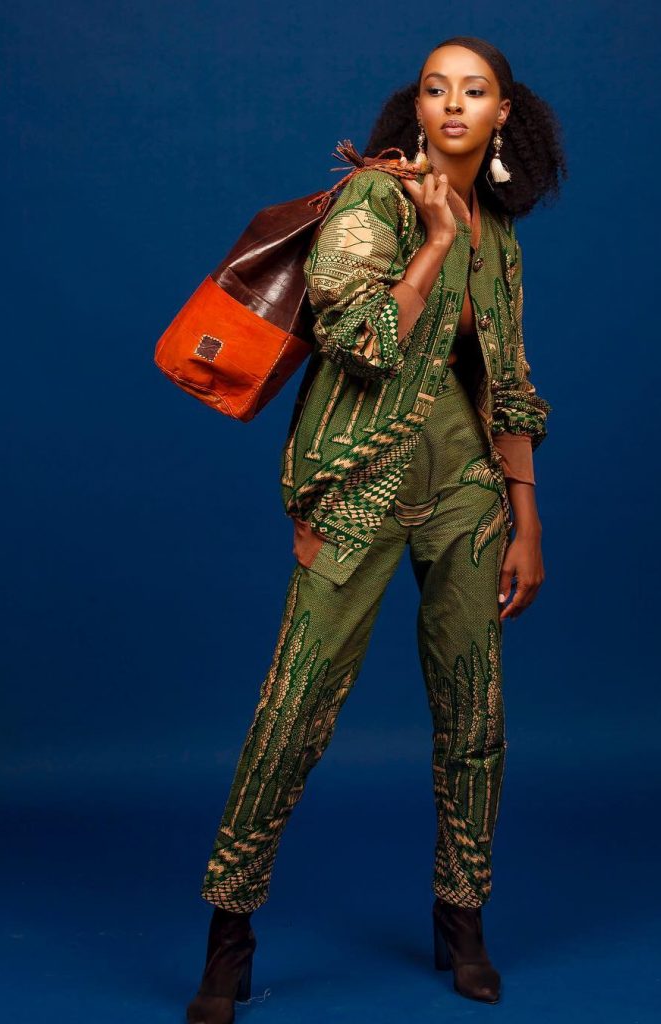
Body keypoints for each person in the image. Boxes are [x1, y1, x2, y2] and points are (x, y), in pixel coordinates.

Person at [185, 34, 567, 1022]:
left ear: (502, 116)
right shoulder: (372, 202)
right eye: (436, 89)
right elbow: (358, 343)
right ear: (418, 107)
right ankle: (229, 929)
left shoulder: (501, 236)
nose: (452, 104)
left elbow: (510, 382)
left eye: (473, 91)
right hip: (357, 487)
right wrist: (431, 242)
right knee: (295, 707)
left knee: (474, 713)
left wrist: (525, 519)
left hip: (468, 495)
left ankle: (462, 914)